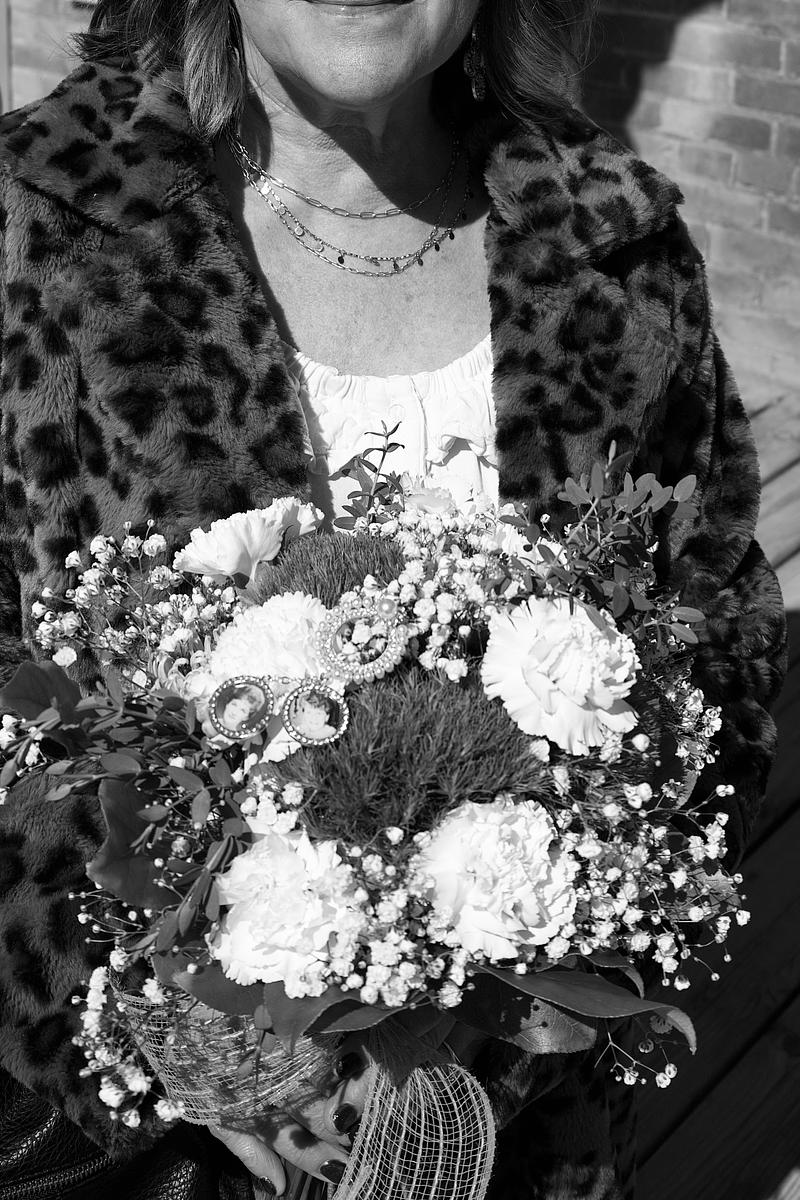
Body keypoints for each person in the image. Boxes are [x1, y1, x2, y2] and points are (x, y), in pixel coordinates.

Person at [0, 0, 787, 1197]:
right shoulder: (37, 220)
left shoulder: (615, 245)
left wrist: (531, 990)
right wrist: (169, 1040)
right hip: (158, 1146)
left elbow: (719, 625)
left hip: (523, 1130)